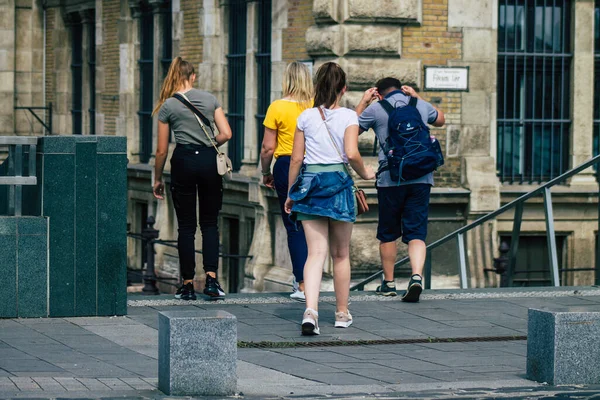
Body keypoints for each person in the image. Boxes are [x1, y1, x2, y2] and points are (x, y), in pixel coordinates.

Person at [285, 62, 375, 335]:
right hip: (338, 185)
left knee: (315, 254)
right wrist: (366, 173)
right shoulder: (349, 116)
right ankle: (341, 312)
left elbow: (297, 158)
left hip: (311, 184)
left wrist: (291, 192)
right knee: (340, 254)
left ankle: (310, 311)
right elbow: (351, 153)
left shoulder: (306, 117)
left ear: (317, 87)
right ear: (343, 88)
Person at [356, 77, 445, 303]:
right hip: (421, 178)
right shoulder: (419, 105)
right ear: (401, 89)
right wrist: (417, 97)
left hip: (390, 179)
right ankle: (416, 277)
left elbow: (348, 130)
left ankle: (389, 283)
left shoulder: (376, 109)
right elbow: (441, 120)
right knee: (416, 232)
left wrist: (364, 102)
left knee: (388, 232)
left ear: (379, 93)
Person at [152, 56, 232, 301]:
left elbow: (162, 150)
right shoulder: (210, 99)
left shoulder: (168, 106)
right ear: (193, 76)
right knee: (209, 224)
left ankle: (186, 284)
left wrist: (157, 178)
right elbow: (226, 133)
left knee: (186, 227)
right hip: (209, 161)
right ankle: (211, 280)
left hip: (183, 161)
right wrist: (209, 143)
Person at [260, 62, 313, 301]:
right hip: (315, 167)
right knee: (314, 224)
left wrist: (265, 172)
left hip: (285, 165)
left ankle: (301, 284)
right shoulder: (315, 106)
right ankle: (313, 279)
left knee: (293, 225)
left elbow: (267, 147)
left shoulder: (277, 107)